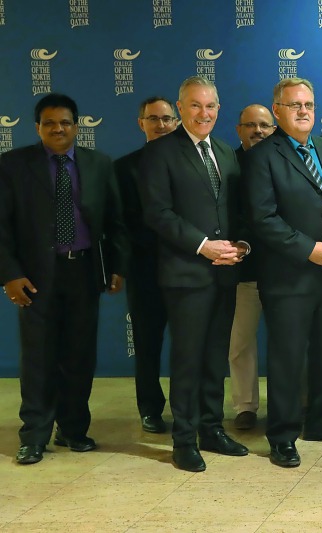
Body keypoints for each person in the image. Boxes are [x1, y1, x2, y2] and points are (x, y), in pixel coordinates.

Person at [1, 93, 127, 465]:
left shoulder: (99, 164)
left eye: (65, 122)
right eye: (50, 123)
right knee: (38, 357)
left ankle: (73, 429)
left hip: (84, 271)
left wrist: (116, 267)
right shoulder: (12, 165)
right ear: (37, 126)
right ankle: (34, 436)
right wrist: (9, 274)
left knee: (79, 356)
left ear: (77, 125)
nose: (58, 129)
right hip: (35, 277)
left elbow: (116, 223)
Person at [244, 77, 322, 468]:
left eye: (308, 105)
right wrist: (309, 249)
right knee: (287, 360)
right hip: (289, 278)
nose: (303, 111)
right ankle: (282, 435)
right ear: (277, 111)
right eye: (294, 105)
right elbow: (264, 219)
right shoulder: (263, 155)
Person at [139, 77, 251, 472]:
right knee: (188, 358)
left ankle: (211, 428)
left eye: (211, 106)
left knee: (215, 356)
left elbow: (235, 210)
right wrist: (203, 245)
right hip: (186, 273)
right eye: (196, 106)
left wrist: (240, 246)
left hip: (224, 271)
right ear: (181, 107)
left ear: (219, 109)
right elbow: (157, 213)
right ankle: (184, 439)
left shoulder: (225, 151)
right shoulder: (161, 152)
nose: (204, 114)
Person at [114, 96, 177, 434]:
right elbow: (119, 224)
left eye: (167, 118)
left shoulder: (192, 162)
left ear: (177, 122)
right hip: (144, 271)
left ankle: (188, 408)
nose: (161, 124)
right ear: (141, 124)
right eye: (153, 118)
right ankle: (150, 408)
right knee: (148, 344)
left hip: (187, 268)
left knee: (188, 346)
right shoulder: (124, 168)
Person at [227, 103, 275, 431]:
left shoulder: (287, 160)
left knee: (291, 342)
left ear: (274, 129)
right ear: (238, 130)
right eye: (250, 125)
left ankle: (296, 403)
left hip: (286, 270)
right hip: (244, 270)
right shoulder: (227, 166)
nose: (258, 130)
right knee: (241, 342)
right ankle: (245, 406)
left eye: (264, 125)